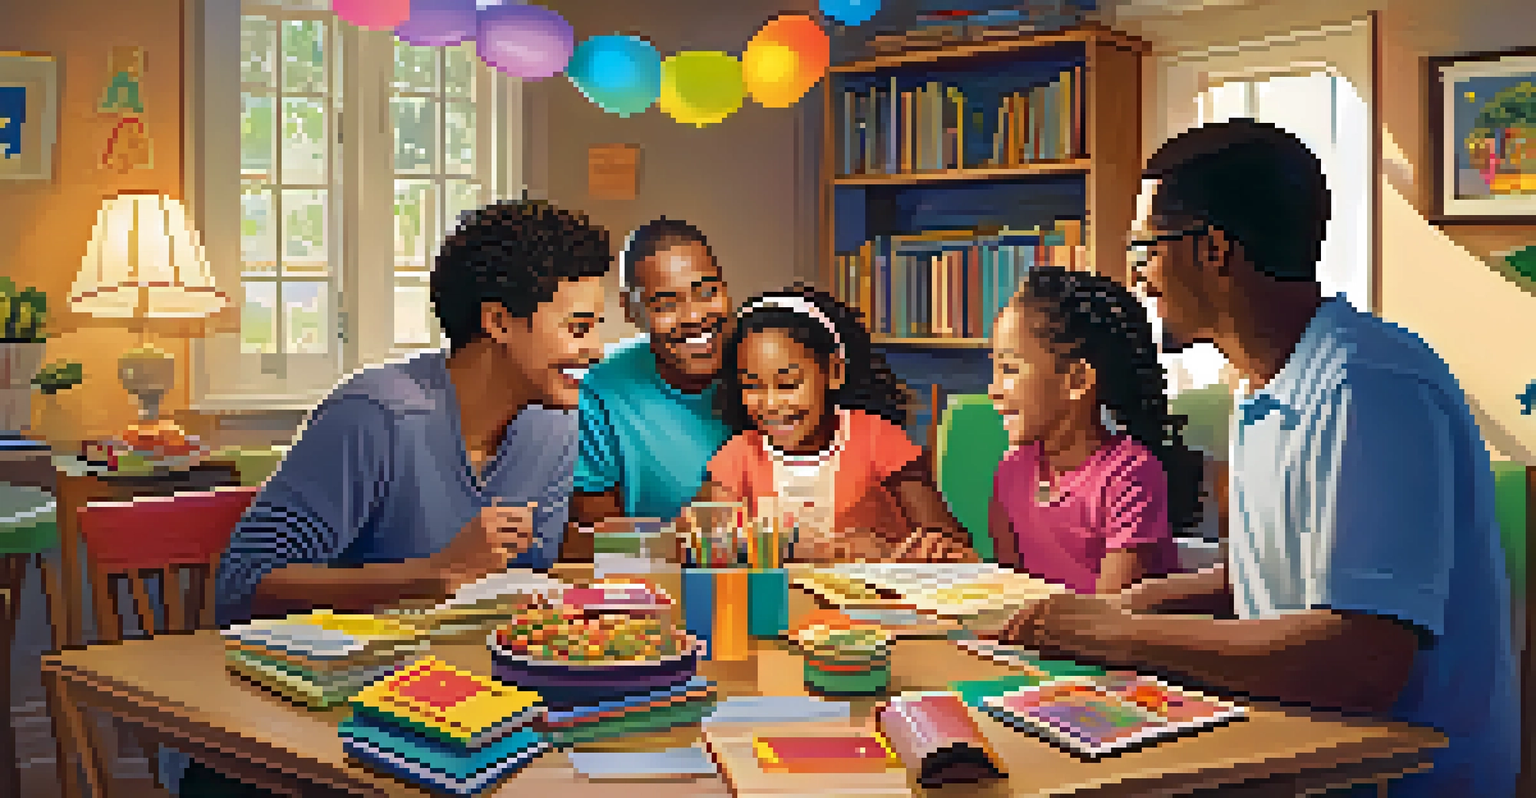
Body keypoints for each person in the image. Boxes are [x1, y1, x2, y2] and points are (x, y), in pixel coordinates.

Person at [994, 118, 1516, 797]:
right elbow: (1273, 582)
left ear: (1213, 249)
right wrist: (1145, 602)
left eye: (1146, 246)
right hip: (1299, 750)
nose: (1136, 273)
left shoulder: (1367, 385)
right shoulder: (1262, 385)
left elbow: (1361, 660)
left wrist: (1121, 637)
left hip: (1396, 776)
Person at [170, 201, 611, 795]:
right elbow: (244, 586)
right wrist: (432, 574)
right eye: (578, 329)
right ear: (500, 322)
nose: (597, 348)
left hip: (450, 728)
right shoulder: (377, 416)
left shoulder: (554, 427)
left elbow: (518, 594)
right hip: (304, 743)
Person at [692, 286, 974, 563]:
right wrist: (798, 549)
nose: (771, 403)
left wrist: (897, 553)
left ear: (834, 371)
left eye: (788, 384)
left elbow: (948, 542)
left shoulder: (878, 439)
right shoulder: (739, 455)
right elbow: (707, 541)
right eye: (752, 386)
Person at [988, 266, 1201, 594]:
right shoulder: (1011, 471)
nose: (993, 390)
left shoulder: (1130, 476)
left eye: (1010, 369)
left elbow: (1110, 619)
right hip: (1040, 641)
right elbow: (1010, 591)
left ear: (1076, 381)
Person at [569, 218, 734, 536]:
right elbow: (604, 541)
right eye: (666, 304)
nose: (695, 317)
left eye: (708, 292)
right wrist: (687, 539)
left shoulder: (768, 366)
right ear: (631, 310)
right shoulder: (599, 391)